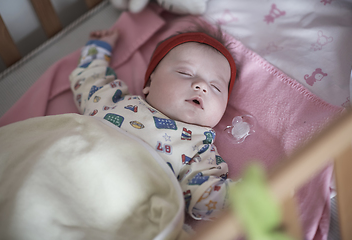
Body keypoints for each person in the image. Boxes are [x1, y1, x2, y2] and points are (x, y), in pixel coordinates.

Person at [69, 26, 237, 220]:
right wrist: (98, 49)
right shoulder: (114, 101)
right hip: (73, 172)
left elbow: (205, 196)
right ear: (149, 83)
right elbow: (90, 78)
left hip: (121, 212)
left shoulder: (199, 150)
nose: (201, 86)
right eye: (185, 72)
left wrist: (251, 195)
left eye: (216, 87)